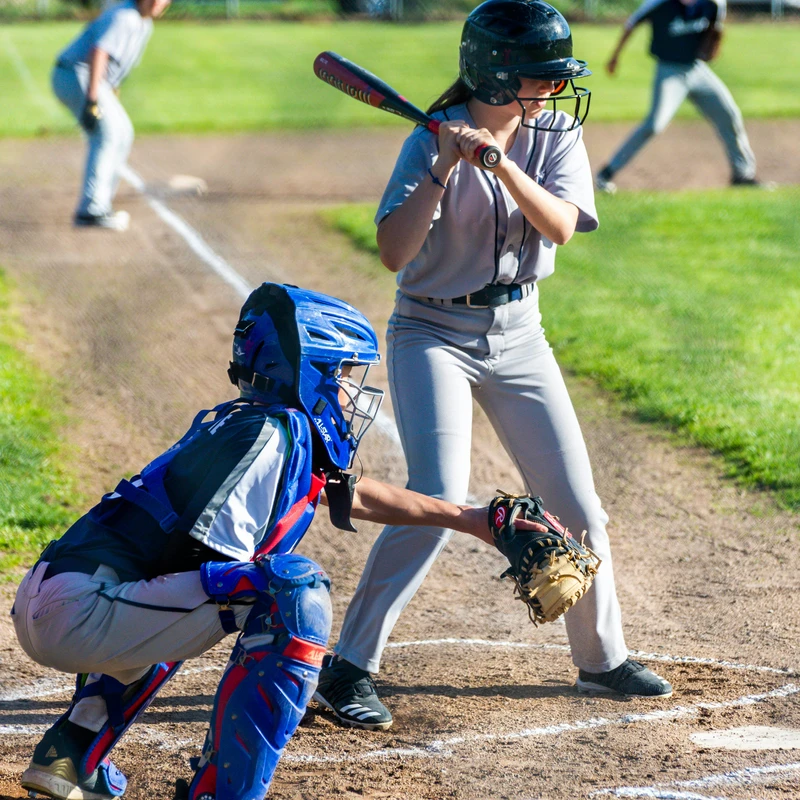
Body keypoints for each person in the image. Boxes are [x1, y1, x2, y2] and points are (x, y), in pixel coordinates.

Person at [10, 283, 548, 800]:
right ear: (305, 371)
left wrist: (475, 519)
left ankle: (70, 753)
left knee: (208, 591)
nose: (348, 389)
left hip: (68, 596)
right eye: (337, 373)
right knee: (288, 591)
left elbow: (347, 494)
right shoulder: (274, 435)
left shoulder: (255, 426)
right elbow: (203, 562)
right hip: (84, 609)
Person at [313, 0, 673, 733]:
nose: (553, 88)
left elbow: (563, 227)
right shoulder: (427, 142)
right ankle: (347, 667)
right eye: (541, 75)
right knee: (438, 493)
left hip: (521, 334)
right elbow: (392, 254)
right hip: (431, 332)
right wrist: (445, 167)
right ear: (499, 75)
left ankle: (601, 659)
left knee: (578, 505)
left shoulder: (555, 132)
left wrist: (501, 162)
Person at [595, 0, 758, 193]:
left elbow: (716, 28)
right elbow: (631, 24)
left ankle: (743, 174)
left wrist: (715, 42)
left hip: (697, 69)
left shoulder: (712, 4)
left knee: (729, 114)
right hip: (669, 71)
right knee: (654, 124)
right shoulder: (659, 3)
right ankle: (606, 173)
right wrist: (615, 56)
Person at [51, 0, 171, 231]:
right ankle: (92, 209)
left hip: (88, 79)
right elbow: (100, 52)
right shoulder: (125, 16)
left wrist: (105, 97)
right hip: (76, 75)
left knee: (124, 132)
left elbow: (117, 69)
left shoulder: (143, 23)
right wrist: (92, 100)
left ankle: (100, 203)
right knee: (107, 135)